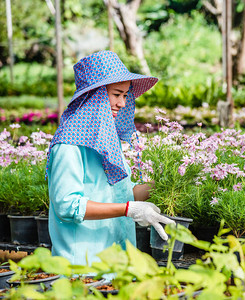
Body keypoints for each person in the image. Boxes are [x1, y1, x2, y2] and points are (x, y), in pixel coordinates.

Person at [46, 50, 174, 265]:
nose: (122, 103)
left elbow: (123, 193)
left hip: (118, 261)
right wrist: (128, 209)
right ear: (94, 95)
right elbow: (67, 206)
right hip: (83, 266)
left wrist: (164, 183)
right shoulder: (69, 146)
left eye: (125, 95)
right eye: (116, 94)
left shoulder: (107, 142)